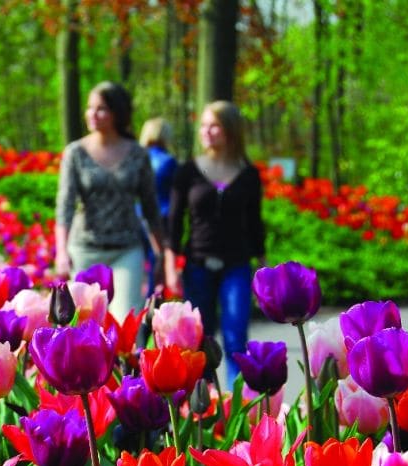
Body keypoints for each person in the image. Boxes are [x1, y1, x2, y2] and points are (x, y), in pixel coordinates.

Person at [163, 101, 265, 387]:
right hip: (198, 264)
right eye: (204, 125)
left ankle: (236, 403)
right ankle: (203, 404)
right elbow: (173, 222)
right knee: (199, 338)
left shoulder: (248, 175)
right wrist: (171, 268)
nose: (206, 132)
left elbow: (255, 224)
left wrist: (263, 267)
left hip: (237, 265)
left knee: (235, 336)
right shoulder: (188, 172)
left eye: (214, 126)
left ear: (230, 131)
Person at [55, 81, 162, 318]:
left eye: (101, 108)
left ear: (117, 112)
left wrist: (160, 251)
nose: (93, 114)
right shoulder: (75, 153)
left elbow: (150, 207)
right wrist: (61, 252)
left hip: (127, 249)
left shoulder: (138, 154)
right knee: (86, 322)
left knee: (125, 320)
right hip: (84, 249)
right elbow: (65, 206)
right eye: (89, 107)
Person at [139, 117, 177, 292]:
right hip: (162, 217)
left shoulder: (137, 158)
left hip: (137, 216)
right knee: (157, 262)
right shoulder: (169, 161)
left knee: (140, 266)